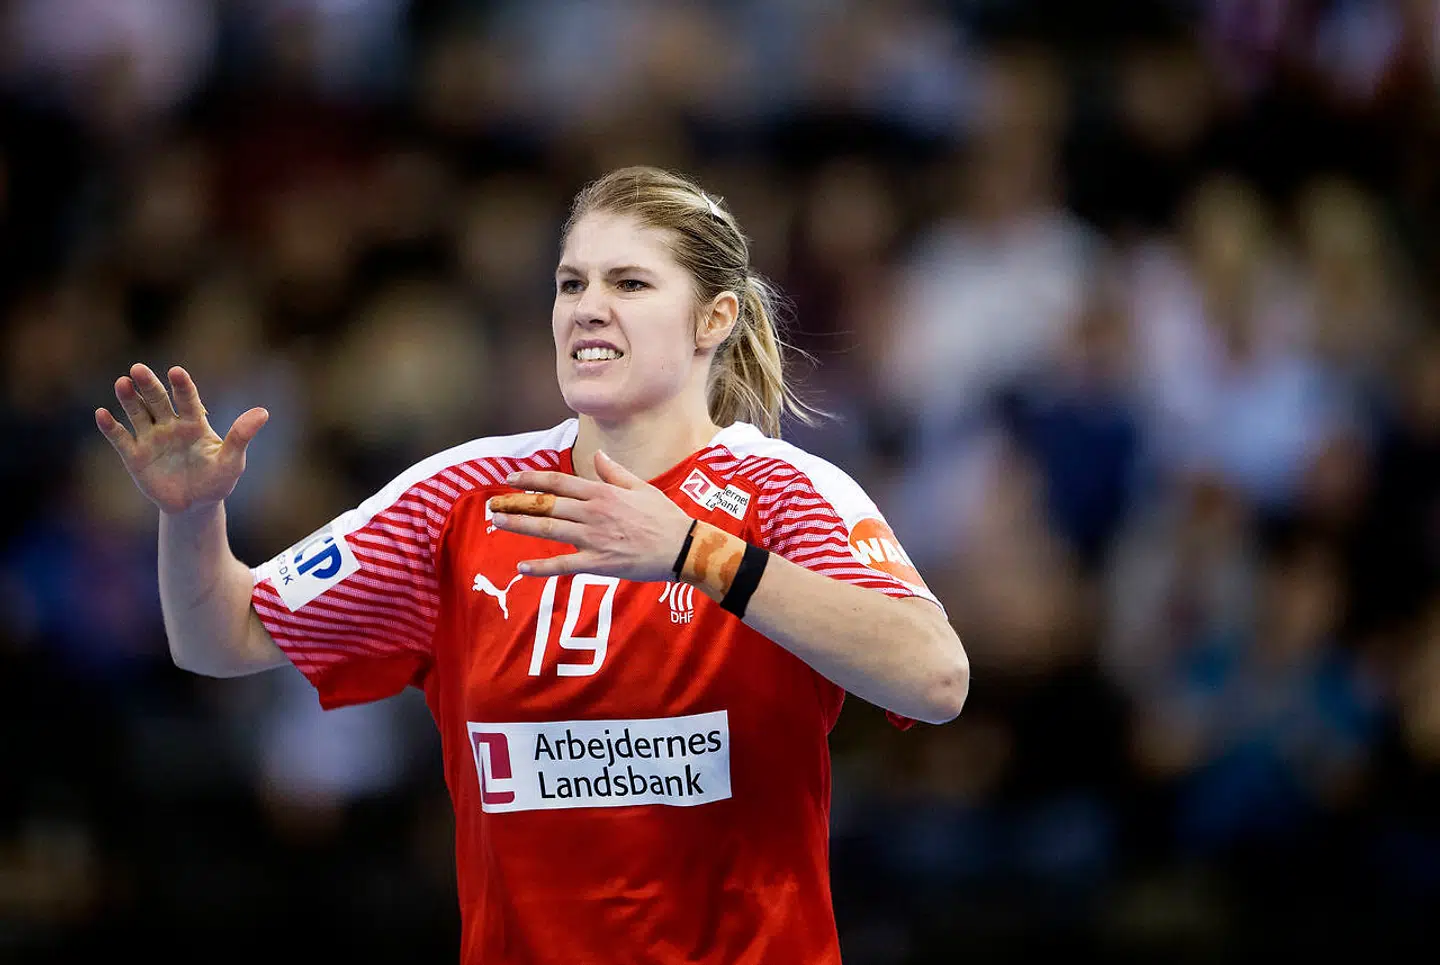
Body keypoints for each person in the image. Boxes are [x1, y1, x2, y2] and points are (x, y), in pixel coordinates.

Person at [96, 166, 969, 964]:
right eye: (571, 284)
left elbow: (935, 678)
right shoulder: (462, 495)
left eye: (629, 283)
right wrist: (193, 515)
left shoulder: (784, 491)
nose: (588, 307)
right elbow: (221, 636)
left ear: (715, 318)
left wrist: (690, 551)